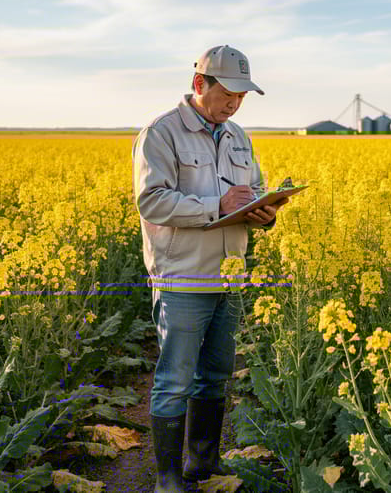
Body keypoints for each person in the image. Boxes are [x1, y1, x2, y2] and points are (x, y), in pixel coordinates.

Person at [133, 45, 287, 492]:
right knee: (175, 378)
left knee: (216, 374)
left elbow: (251, 189)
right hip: (182, 274)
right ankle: (167, 478)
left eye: (242, 96)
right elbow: (152, 200)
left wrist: (265, 213)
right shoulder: (161, 133)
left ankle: (204, 463)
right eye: (228, 94)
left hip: (230, 275)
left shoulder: (238, 135)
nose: (235, 103)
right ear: (200, 84)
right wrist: (214, 206)